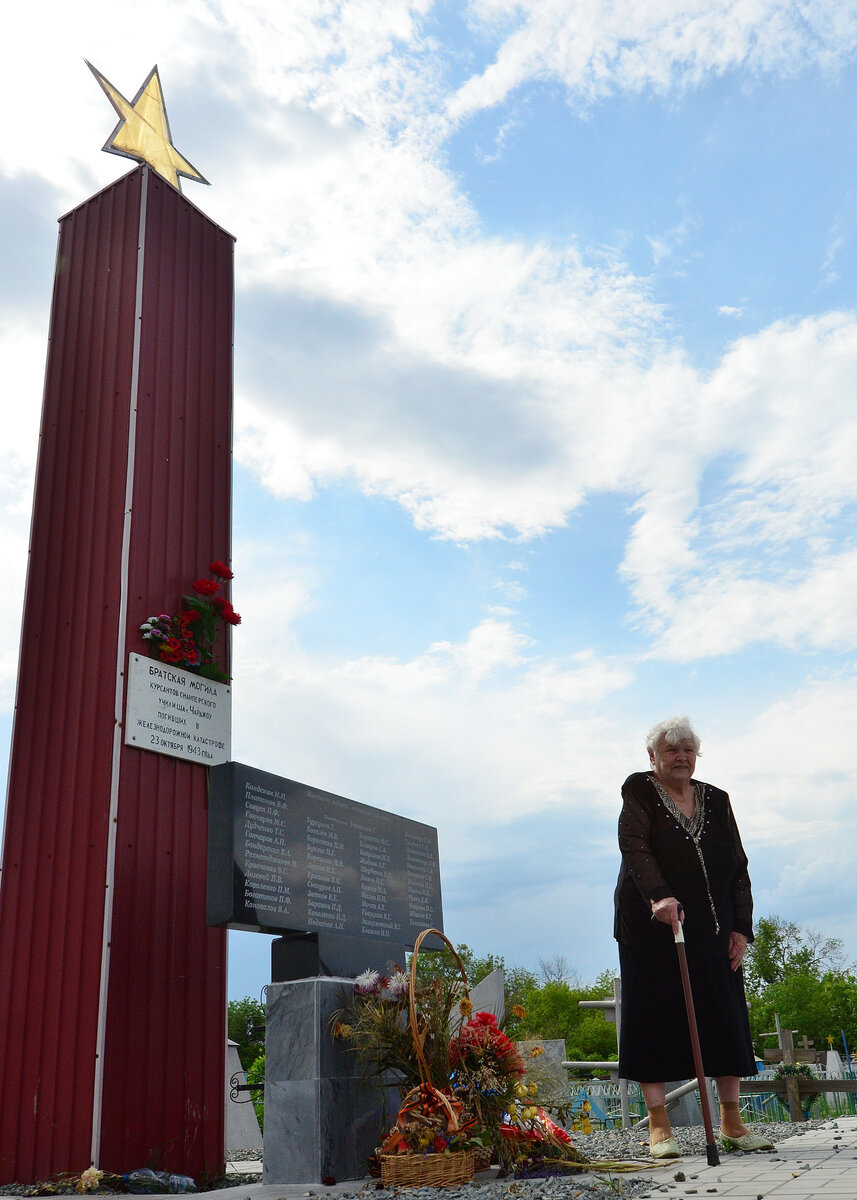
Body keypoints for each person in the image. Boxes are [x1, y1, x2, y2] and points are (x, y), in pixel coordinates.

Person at [613, 716, 772, 1157]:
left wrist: (742, 927)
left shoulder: (717, 799)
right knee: (653, 1015)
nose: (681, 757)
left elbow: (738, 865)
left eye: (688, 750)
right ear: (653, 758)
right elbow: (635, 846)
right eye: (671, 751)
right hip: (651, 923)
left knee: (724, 1013)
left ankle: (732, 1124)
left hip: (712, 923)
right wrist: (659, 897)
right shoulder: (639, 789)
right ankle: (659, 1128)